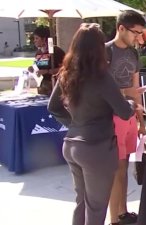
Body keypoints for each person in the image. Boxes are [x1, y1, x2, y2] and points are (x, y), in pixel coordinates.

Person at [48, 23, 137, 225]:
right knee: (96, 207)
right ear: (99, 47)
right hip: (96, 147)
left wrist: (75, 123)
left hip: (72, 145)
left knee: (81, 202)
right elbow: (124, 111)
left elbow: (53, 107)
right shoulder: (102, 77)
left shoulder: (66, 73)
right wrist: (132, 103)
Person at [106, 10, 146, 225]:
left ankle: (123, 212)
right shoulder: (105, 52)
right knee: (116, 169)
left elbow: (135, 87)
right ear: (121, 28)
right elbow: (100, 89)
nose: (138, 38)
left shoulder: (133, 54)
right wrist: (126, 96)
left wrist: (142, 122)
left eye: (140, 33)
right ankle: (115, 219)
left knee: (124, 167)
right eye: (135, 33)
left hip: (130, 115)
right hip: (112, 116)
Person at [28, 26, 65, 96]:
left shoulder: (56, 51)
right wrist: (32, 69)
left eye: (37, 38)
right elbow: (37, 67)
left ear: (44, 39)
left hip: (56, 86)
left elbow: (65, 68)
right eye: (34, 38)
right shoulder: (38, 53)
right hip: (43, 87)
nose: (34, 41)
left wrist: (48, 71)